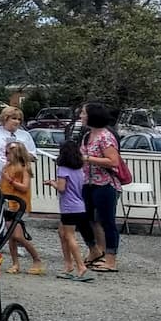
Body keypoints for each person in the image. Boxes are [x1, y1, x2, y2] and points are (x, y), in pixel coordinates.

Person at [79, 101, 123, 273]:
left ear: (92, 115)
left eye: (83, 113)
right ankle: (94, 250)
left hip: (105, 184)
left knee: (107, 221)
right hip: (87, 183)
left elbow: (114, 161)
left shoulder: (106, 136)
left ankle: (111, 259)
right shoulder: (87, 135)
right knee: (83, 218)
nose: (81, 116)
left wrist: (88, 158)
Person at [51, 137, 94, 282]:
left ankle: (80, 267)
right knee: (62, 233)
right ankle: (68, 266)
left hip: (68, 207)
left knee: (69, 236)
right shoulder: (79, 169)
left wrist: (53, 183)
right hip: (79, 205)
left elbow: (62, 188)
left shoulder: (63, 169)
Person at [0, 140, 45, 275]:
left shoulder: (24, 168)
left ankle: (36, 259)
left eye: (8, 153)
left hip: (19, 205)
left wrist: (10, 180)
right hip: (7, 205)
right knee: (10, 237)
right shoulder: (6, 167)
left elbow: (24, 187)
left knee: (18, 236)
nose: (5, 155)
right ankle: (15, 263)